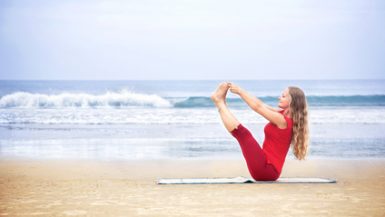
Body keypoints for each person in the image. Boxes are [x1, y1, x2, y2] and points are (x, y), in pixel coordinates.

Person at [211, 82, 309, 181]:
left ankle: (219, 102)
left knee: (243, 134)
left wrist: (240, 91)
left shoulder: (284, 121)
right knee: (243, 135)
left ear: (292, 101)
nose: (279, 98)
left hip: (267, 169)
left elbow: (258, 108)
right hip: (268, 168)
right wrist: (241, 92)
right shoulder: (282, 115)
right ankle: (220, 102)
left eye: (283, 96)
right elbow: (261, 104)